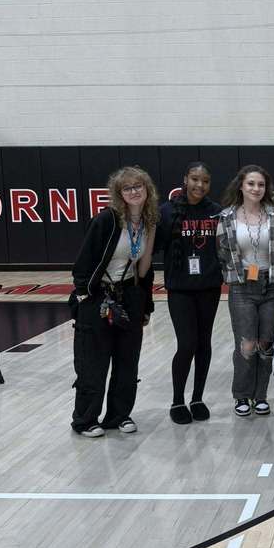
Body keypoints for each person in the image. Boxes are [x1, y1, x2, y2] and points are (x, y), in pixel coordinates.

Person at [70, 166, 158, 437]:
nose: (134, 191)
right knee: (93, 362)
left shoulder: (149, 222)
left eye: (138, 186)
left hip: (130, 295)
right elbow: (82, 265)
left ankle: (118, 415)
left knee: (127, 361)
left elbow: (144, 270)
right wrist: (85, 296)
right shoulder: (106, 221)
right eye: (128, 188)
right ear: (119, 193)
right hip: (99, 296)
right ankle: (85, 419)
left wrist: (145, 305)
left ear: (147, 190)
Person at [156, 161, 222, 425]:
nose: (200, 185)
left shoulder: (216, 211)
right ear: (185, 179)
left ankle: (197, 398)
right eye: (195, 179)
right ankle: (177, 400)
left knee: (204, 343)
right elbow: (154, 245)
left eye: (205, 181)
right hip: (180, 289)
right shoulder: (168, 211)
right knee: (187, 344)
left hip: (209, 287)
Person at [217, 165, 274, 417]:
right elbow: (221, 253)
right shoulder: (227, 217)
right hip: (242, 287)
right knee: (246, 345)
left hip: (271, 285)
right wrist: (235, 276)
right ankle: (242, 395)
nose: (256, 188)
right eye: (251, 184)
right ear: (241, 186)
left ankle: (261, 395)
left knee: (265, 345)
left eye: (261, 184)